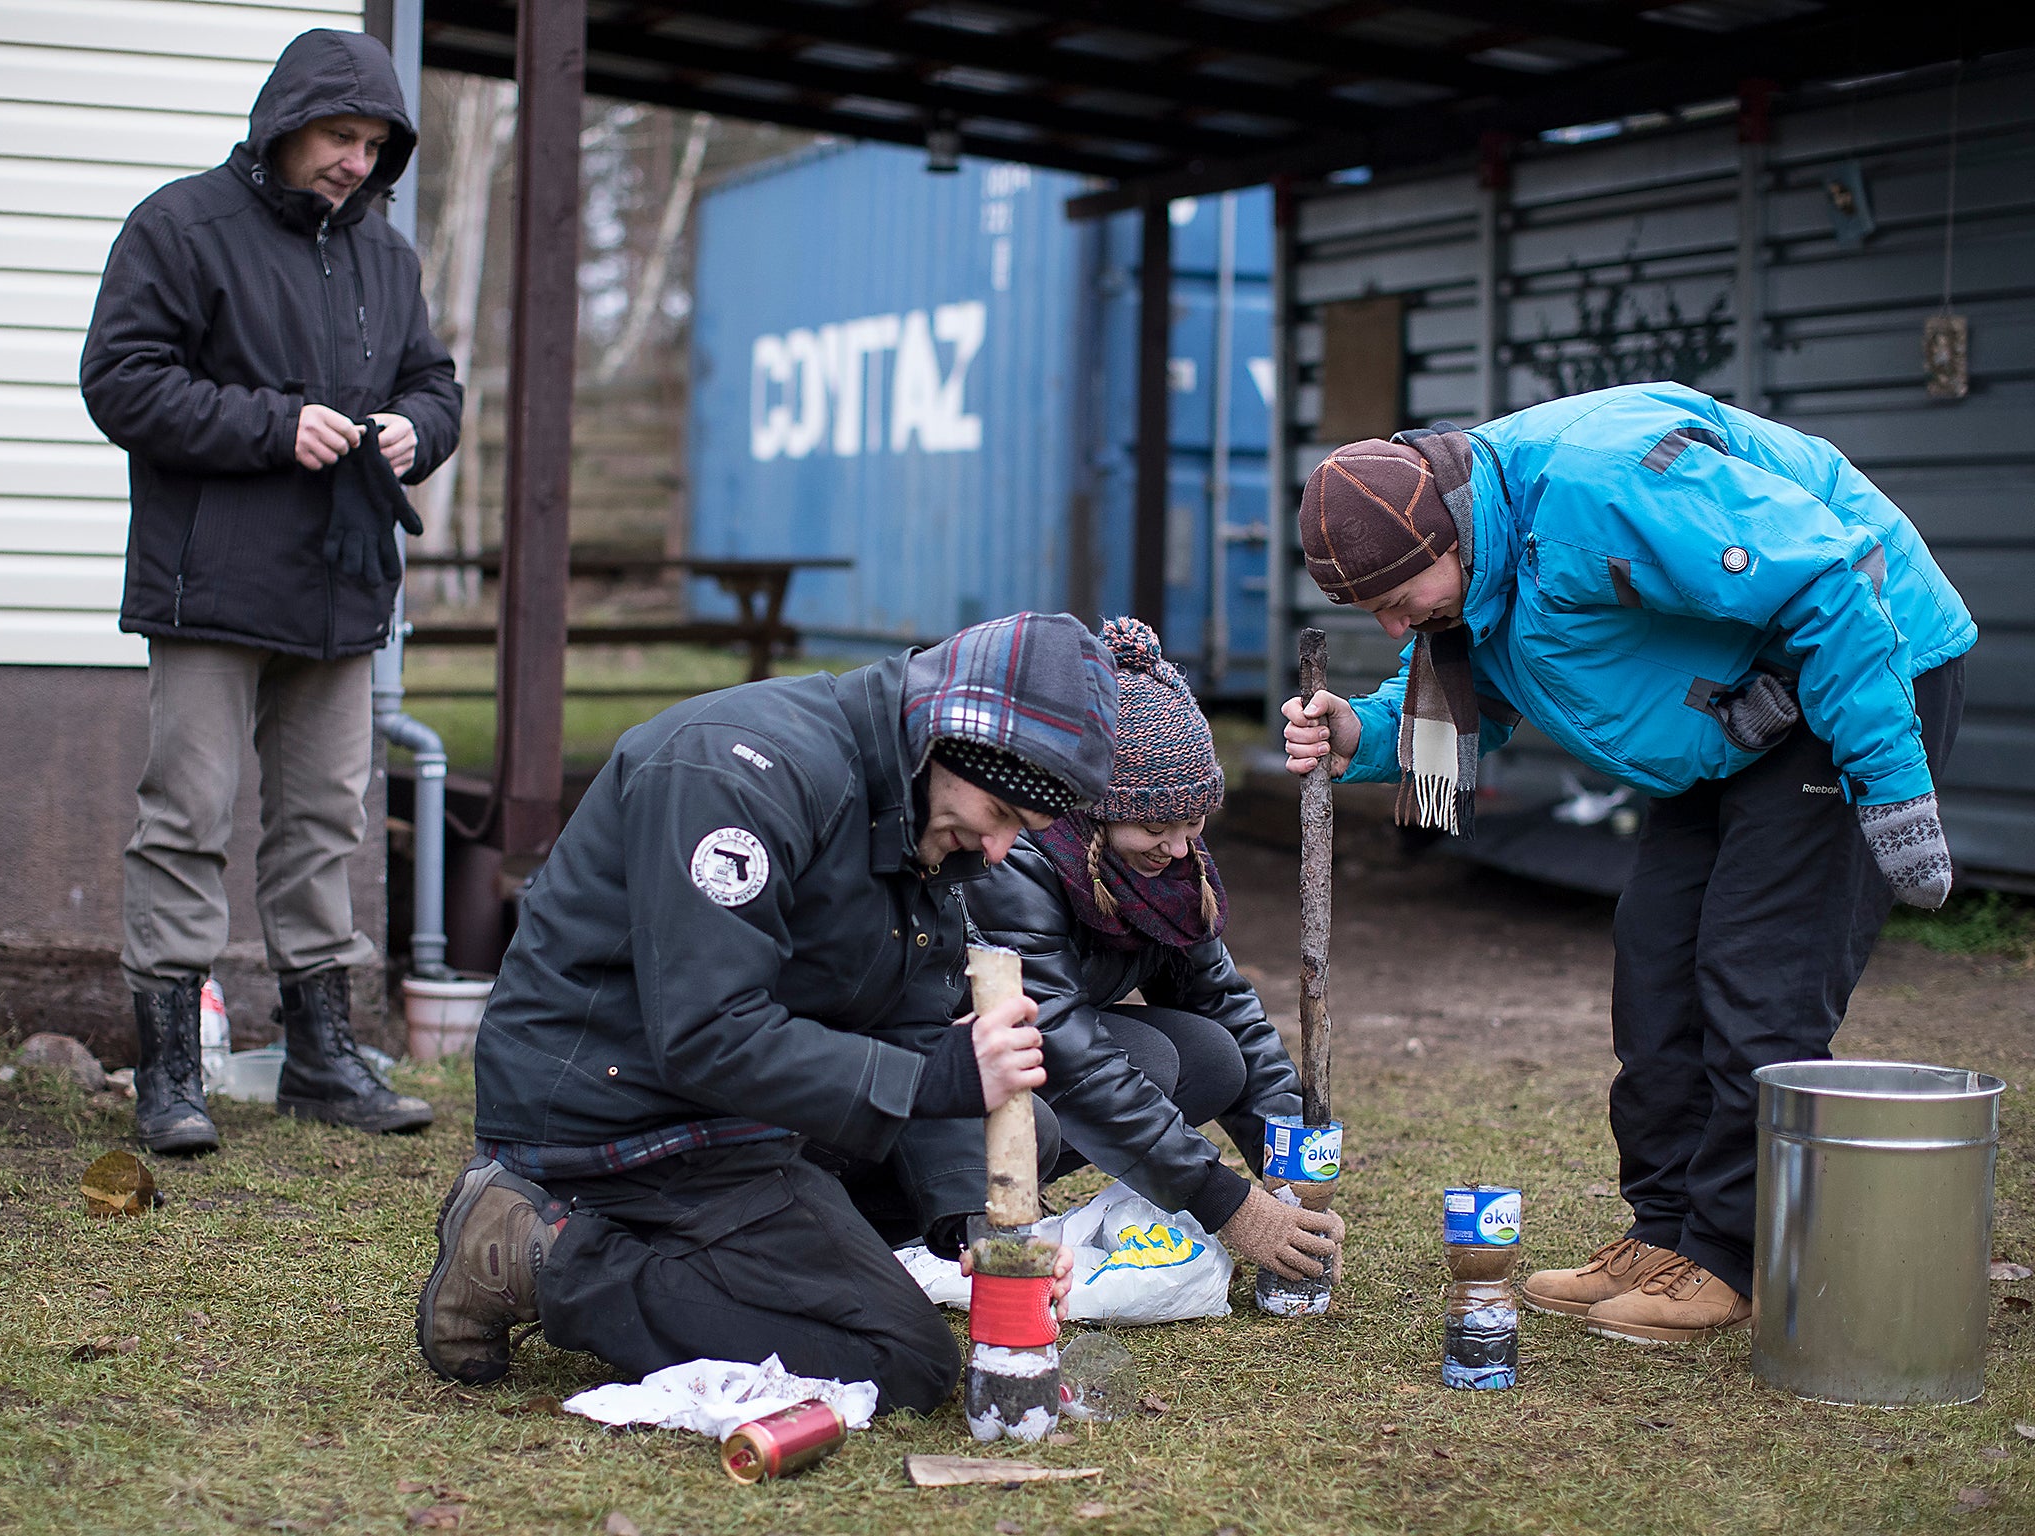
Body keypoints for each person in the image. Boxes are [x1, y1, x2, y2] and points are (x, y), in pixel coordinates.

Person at [1282, 382, 1970, 1346]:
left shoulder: (1596, 486)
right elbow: (1465, 688)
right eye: (1375, 615)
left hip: (1860, 665)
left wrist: (1892, 785)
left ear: (1447, 533)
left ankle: (1732, 1257)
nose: (1398, 630)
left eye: (1399, 603)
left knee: (1758, 975)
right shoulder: (1472, 554)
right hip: (1736, 724)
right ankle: (1666, 1234)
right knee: (1654, 963)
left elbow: (1828, 577)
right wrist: (1361, 730)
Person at [416, 613, 1118, 1416]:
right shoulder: (740, 774)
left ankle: (718, 1258)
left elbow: (908, 1021)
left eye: (1019, 834)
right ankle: (545, 1256)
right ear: (943, 741)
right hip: (624, 1116)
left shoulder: (925, 814)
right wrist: (935, 1078)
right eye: (999, 816)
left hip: (744, 1109)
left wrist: (977, 1227)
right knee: (899, 1361)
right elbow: (704, 1034)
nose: (996, 852)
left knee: (1013, 1146)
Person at [80, 28, 461, 1154]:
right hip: (210, 580)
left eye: (375, 143)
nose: (357, 160)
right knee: (186, 818)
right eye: (341, 136)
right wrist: (272, 424)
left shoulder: (385, 254)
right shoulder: (180, 226)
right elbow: (121, 381)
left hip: (343, 589)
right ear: (285, 120)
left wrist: (412, 432)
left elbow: (433, 382)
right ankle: (169, 1075)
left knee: (326, 825)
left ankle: (322, 1059)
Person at [967, 618, 1345, 1288]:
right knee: (1145, 1059)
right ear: (1090, 809)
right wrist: (1231, 1207)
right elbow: (1064, 1047)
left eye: (1193, 823)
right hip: (952, 1078)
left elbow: (1227, 1008)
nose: (1177, 849)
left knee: (1211, 1054)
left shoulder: (1168, 873)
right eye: (1154, 825)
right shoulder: (1018, 860)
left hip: (1048, 1067)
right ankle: (960, 1201)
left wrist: (1289, 1167)